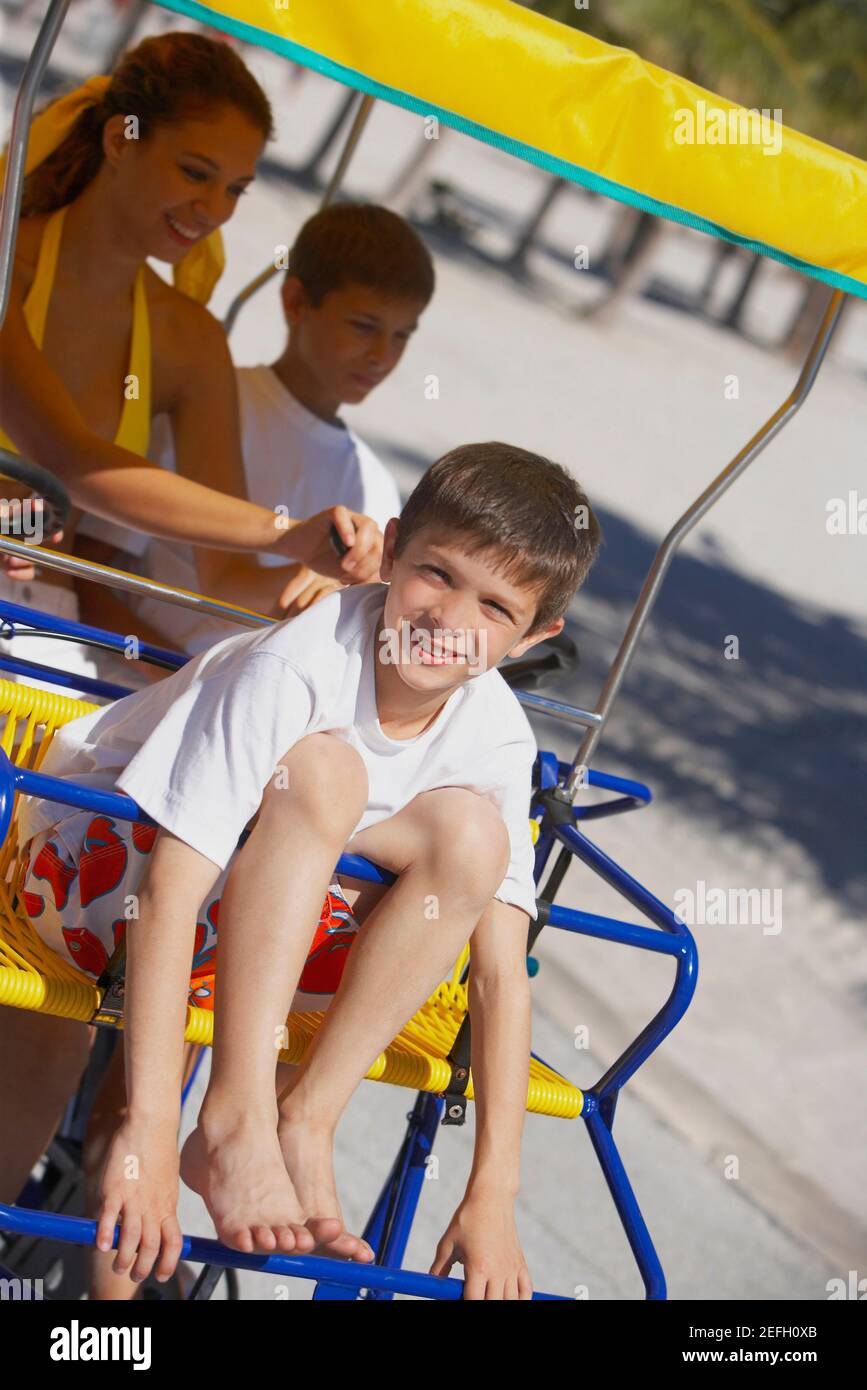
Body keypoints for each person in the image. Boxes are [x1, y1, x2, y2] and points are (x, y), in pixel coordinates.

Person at [3, 442, 603, 1301]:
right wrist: (149, 1120)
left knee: (475, 836)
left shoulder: (498, 735)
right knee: (326, 772)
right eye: (435, 573)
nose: (448, 621)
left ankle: (304, 1116)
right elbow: (170, 888)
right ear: (389, 552)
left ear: (532, 637)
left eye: (494, 606)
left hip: (249, 922)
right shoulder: (298, 664)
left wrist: (493, 1193)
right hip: (88, 871)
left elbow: (502, 979)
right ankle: (235, 1116)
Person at [0, 32, 382, 696]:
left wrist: (337, 579)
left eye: (235, 188)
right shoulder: (6, 265)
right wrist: (288, 531)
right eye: (194, 172)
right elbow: (69, 461)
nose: (214, 211)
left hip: (46, 637)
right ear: (122, 140)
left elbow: (228, 581)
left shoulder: (191, 340)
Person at [72, 201, 435, 658]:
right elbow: (85, 576)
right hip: (110, 690)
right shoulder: (206, 402)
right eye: (364, 326)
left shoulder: (374, 487)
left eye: (402, 335)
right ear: (296, 302)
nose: (382, 355)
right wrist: (172, 685)